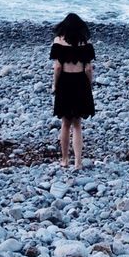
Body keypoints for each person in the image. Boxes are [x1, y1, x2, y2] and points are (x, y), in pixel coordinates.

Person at [50, 12, 95, 169]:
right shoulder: (86, 42)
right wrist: (88, 84)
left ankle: (64, 160)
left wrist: (55, 85)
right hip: (80, 82)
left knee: (65, 124)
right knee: (77, 124)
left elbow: (57, 67)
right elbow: (89, 68)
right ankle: (78, 162)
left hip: (65, 82)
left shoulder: (58, 41)